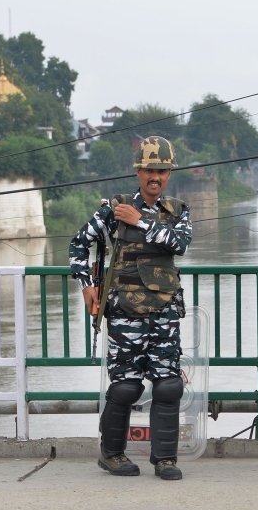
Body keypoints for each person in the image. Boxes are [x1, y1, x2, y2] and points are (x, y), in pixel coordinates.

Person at [69, 136, 193, 480]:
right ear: (138, 170)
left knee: (168, 385)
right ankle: (111, 455)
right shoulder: (113, 208)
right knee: (125, 386)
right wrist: (87, 286)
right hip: (125, 311)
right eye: (150, 169)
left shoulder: (178, 211)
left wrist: (140, 221)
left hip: (165, 312)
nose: (156, 177)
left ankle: (165, 459)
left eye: (163, 171)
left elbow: (179, 244)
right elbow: (78, 245)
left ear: (169, 174)